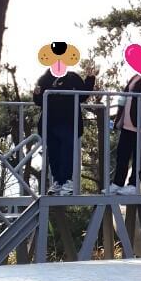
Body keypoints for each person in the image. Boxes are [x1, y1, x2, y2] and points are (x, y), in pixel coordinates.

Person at [33, 41, 97, 194]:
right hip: (50, 123)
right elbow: (38, 101)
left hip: (69, 123)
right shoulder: (44, 79)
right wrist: (36, 94)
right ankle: (58, 181)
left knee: (67, 151)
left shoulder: (73, 77)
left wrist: (90, 79)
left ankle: (67, 181)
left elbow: (83, 95)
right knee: (54, 153)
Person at [108, 65, 141, 193]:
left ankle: (134, 184)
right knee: (122, 154)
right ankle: (118, 183)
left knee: (139, 156)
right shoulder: (136, 77)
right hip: (128, 124)